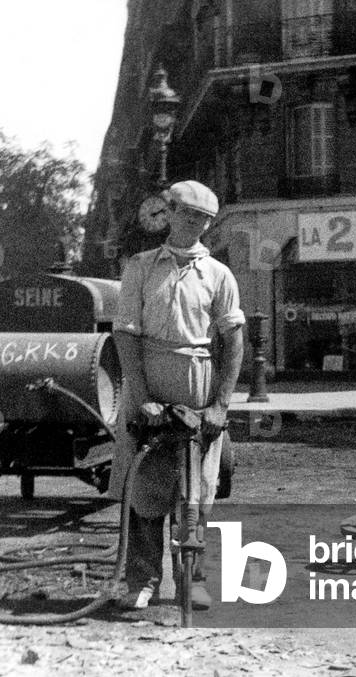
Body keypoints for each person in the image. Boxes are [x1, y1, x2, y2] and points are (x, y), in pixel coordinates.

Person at [108, 180, 245, 611]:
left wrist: (221, 403)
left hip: (199, 382)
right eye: (187, 215)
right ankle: (142, 580)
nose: (195, 225)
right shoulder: (142, 267)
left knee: (196, 494)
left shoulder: (219, 274)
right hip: (148, 380)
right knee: (145, 487)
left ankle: (193, 581)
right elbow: (125, 335)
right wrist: (143, 395)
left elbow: (234, 339)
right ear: (169, 214)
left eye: (203, 219)